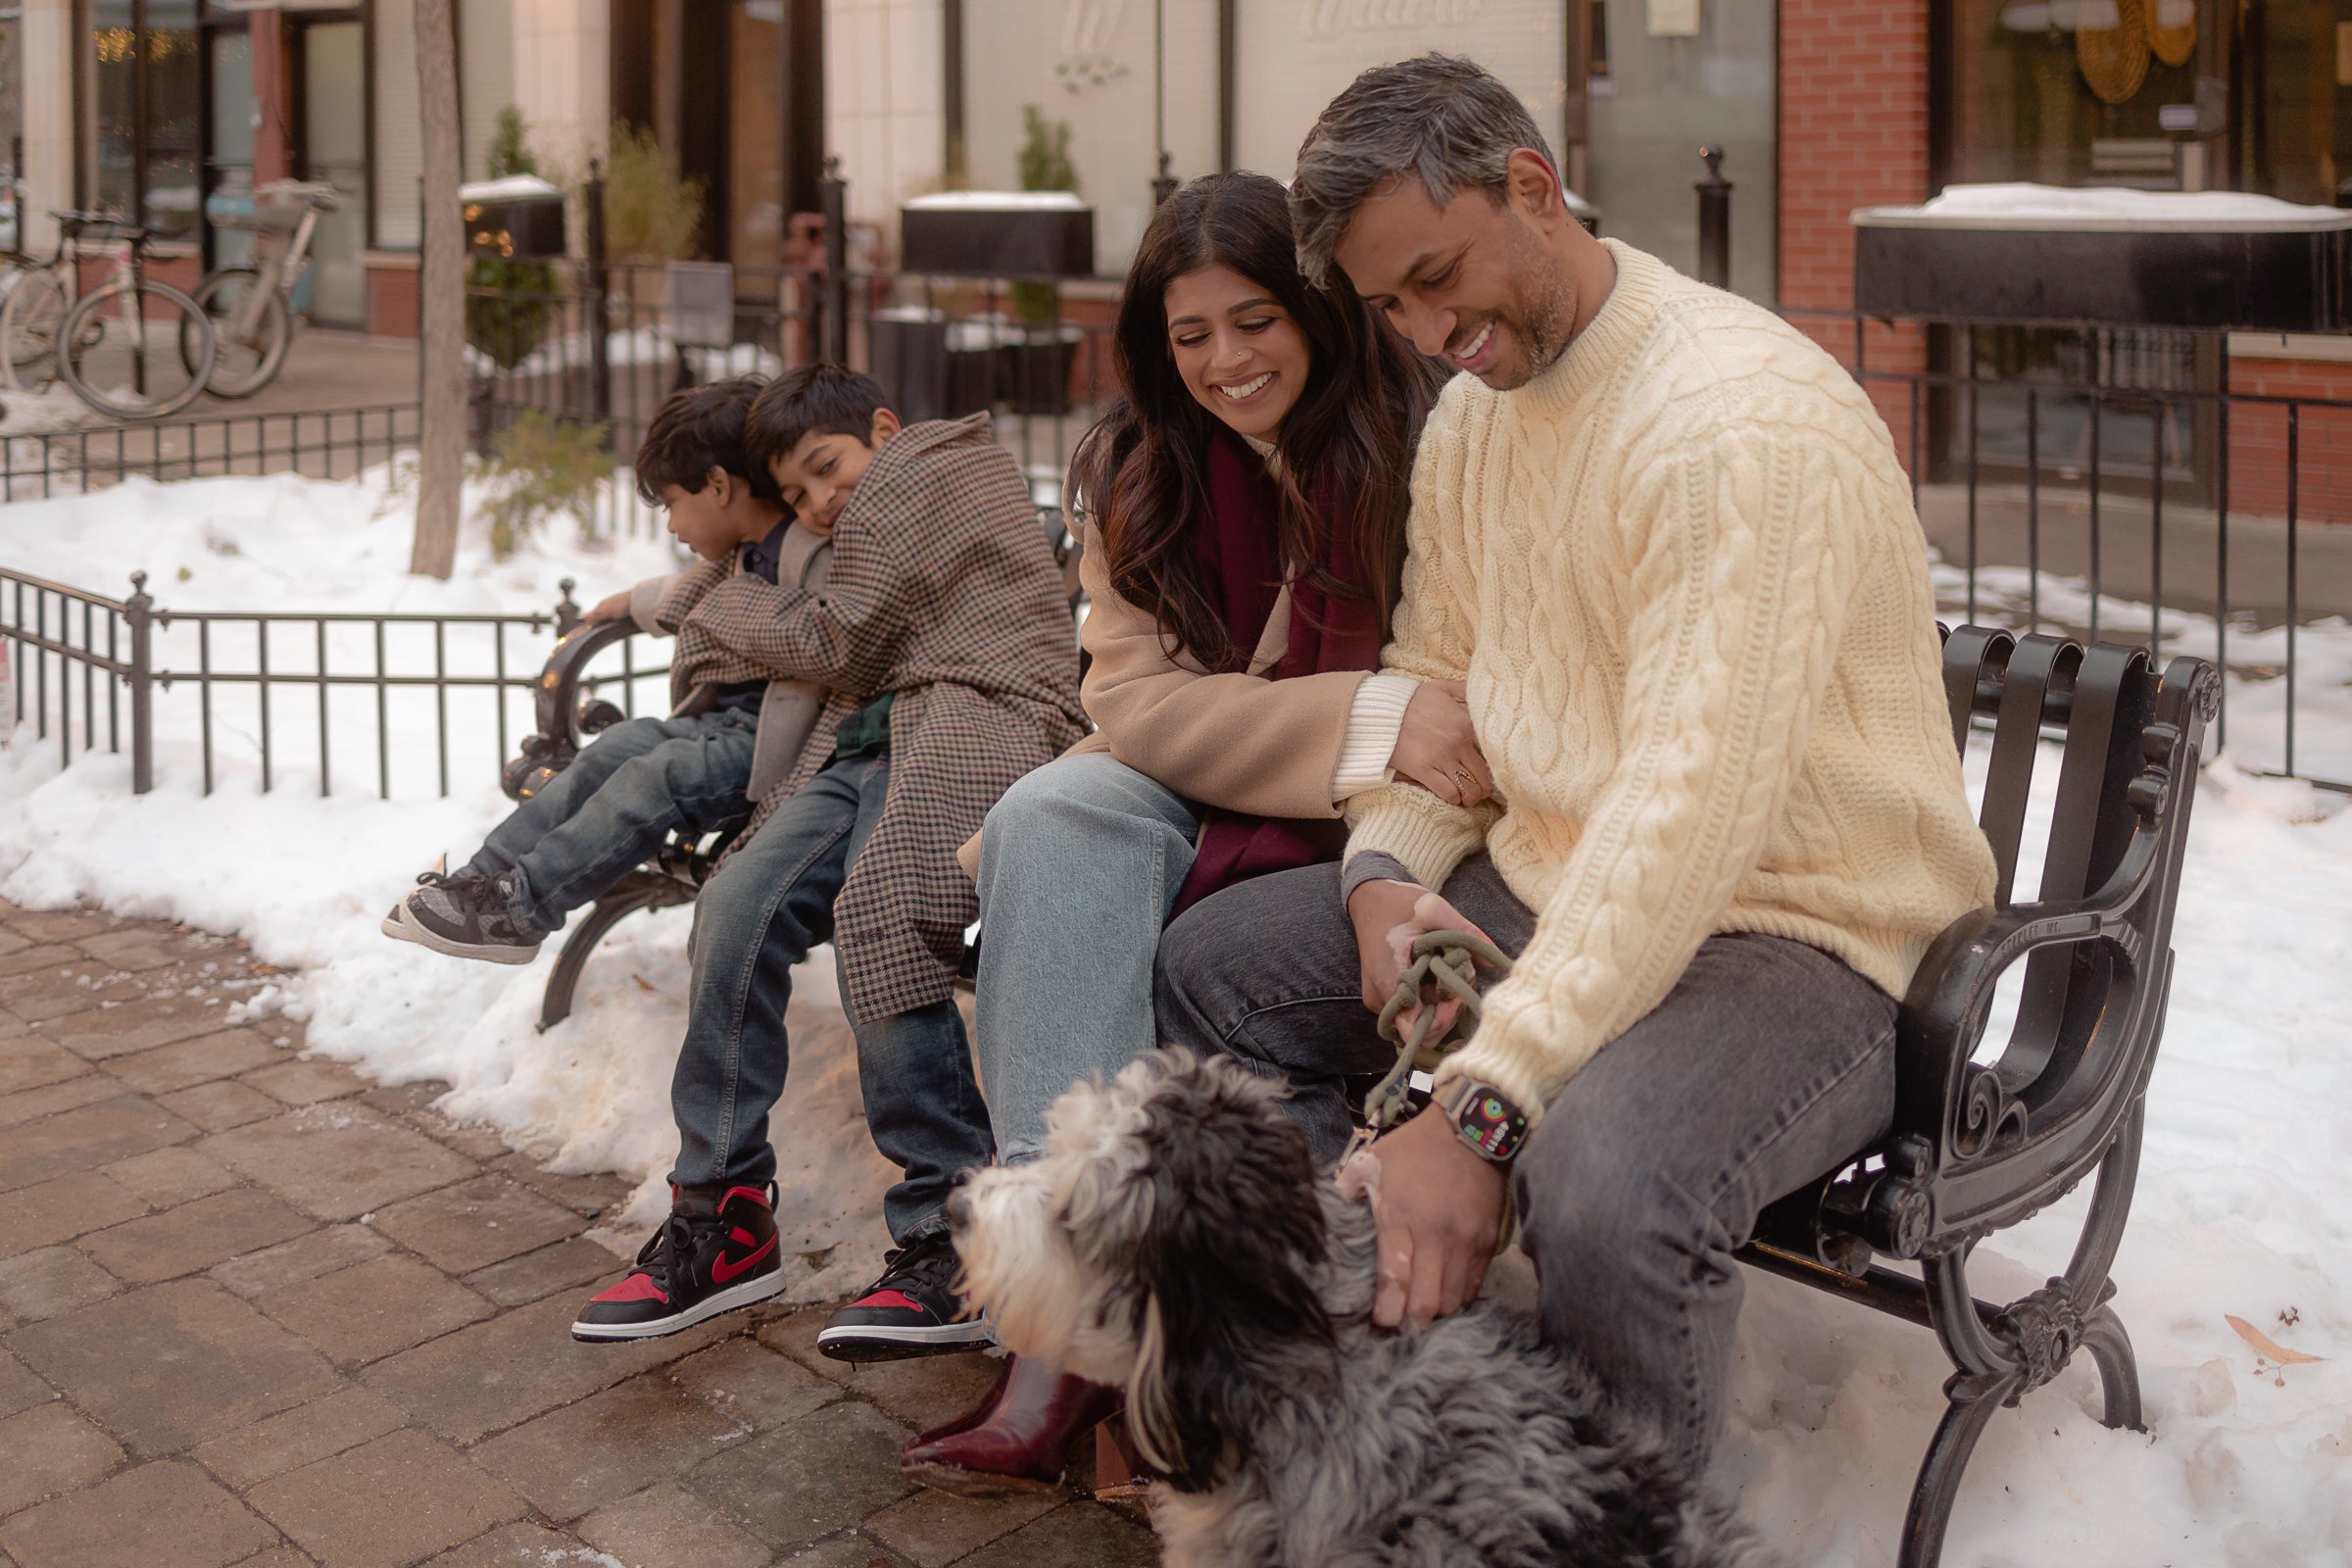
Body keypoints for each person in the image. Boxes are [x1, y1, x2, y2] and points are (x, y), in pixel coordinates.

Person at [1152, 56, 2000, 1484]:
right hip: (1555, 878)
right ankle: (1366, 1374)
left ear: (1533, 188)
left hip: (1807, 929)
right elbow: (1436, 677)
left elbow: (1685, 816)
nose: (1430, 335)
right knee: (1215, 969)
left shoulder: (1735, 425)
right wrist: (1381, 879)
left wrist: (1481, 1106)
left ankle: (1609, 1522)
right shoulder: (1478, 417)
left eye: (1437, 278)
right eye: (1389, 308)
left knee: (1605, 1182)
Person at [898, 172, 1458, 1497]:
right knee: (1054, 811)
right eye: (1189, 335)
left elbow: (1456, 707)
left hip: (1402, 816)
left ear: (1317, 311)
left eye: (1254, 321)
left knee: (1161, 902)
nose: (1225, 362)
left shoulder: (1428, 444)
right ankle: (1066, 1317)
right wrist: (1367, 713)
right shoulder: (1140, 473)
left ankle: (1165, 1325)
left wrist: (1368, 733)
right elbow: (1139, 706)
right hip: (1255, 769)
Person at [569, 364, 1086, 1348]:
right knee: (735, 905)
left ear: (885, 428)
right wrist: (699, 595)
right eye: (796, 490)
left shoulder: (937, 466)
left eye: (826, 466)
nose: (819, 500)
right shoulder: (866, 510)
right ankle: (721, 1217)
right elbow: (806, 625)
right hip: (867, 741)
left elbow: (836, 638)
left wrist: (703, 600)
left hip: (978, 718)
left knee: (883, 908)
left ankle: (958, 1233)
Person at [383, 376, 831, 964]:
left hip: (776, 753)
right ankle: (478, 881)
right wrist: (634, 601)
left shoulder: (813, 551)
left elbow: (802, 628)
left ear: (719, 486)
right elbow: (699, 590)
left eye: (672, 503)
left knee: (656, 775)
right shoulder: (745, 553)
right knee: (619, 745)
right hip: (720, 730)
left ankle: (520, 912)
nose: (671, 526)